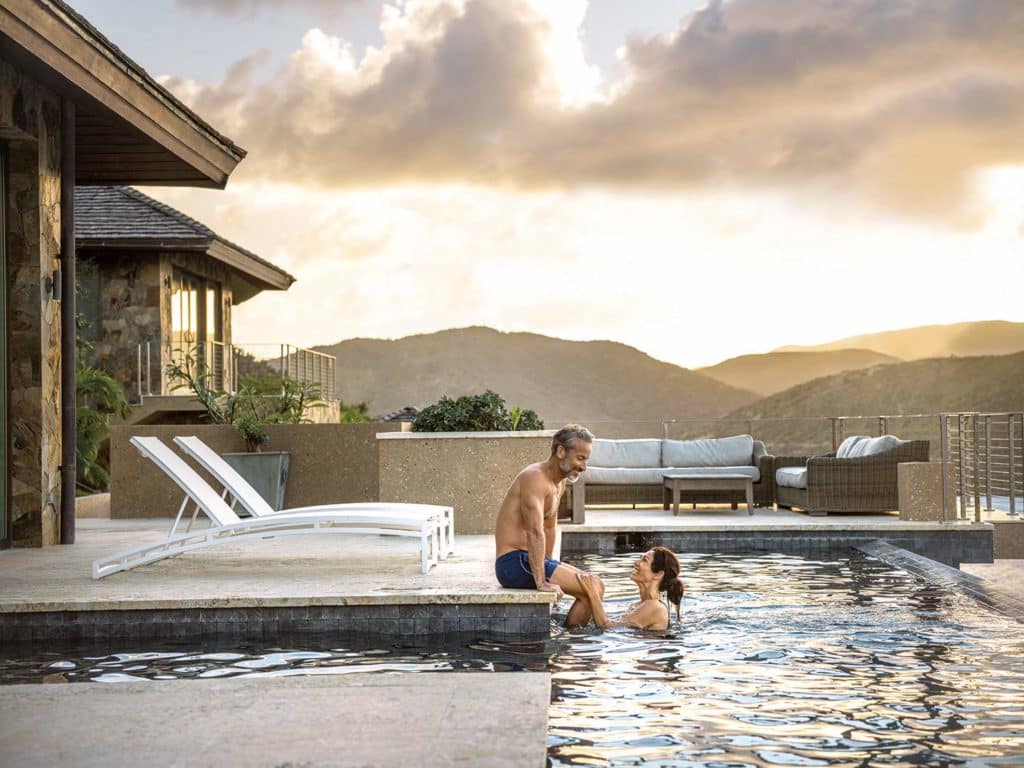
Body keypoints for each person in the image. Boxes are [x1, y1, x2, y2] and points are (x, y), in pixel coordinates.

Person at [494, 423, 604, 627]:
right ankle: (569, 640)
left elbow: (549, 528)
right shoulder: (534, 478)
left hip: (529, 560)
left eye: (586, 460)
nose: (584, 467)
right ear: (561, 451)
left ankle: (570, 637)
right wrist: (541, 581)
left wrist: (549, 564)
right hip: (513, 563)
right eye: (580, 458)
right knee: (591, 588)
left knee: (595, 585)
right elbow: (534, 531)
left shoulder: (558, 483)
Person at [574, 546, 684, 631]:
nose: (635, 563)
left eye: (644, 560)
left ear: (658, 574)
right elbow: (613, 626)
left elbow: (607, 628)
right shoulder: (637, 605)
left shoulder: (655, 606)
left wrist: (593, 593)